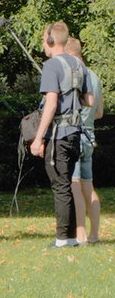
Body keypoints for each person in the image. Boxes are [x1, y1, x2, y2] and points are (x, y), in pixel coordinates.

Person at [30, 22, 94, 248]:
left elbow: (51, 102)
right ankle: (74, 237)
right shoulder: (78, 64)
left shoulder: (51, 66)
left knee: (60, 187)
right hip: (76, 134)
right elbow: (88, 100)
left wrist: (38, 138)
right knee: (66, 184)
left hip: (58, 134)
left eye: (43, 40)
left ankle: (62, 239)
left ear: (49, 40)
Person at [65, 37, 103, 244]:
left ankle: (80, 235)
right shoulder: (96, 77)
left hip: (76, 135)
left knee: (75, 186)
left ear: (70, 55)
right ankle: (95, 234)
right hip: (91, 136)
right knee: (89, 187)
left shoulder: (75, 74)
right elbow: (99, 112)